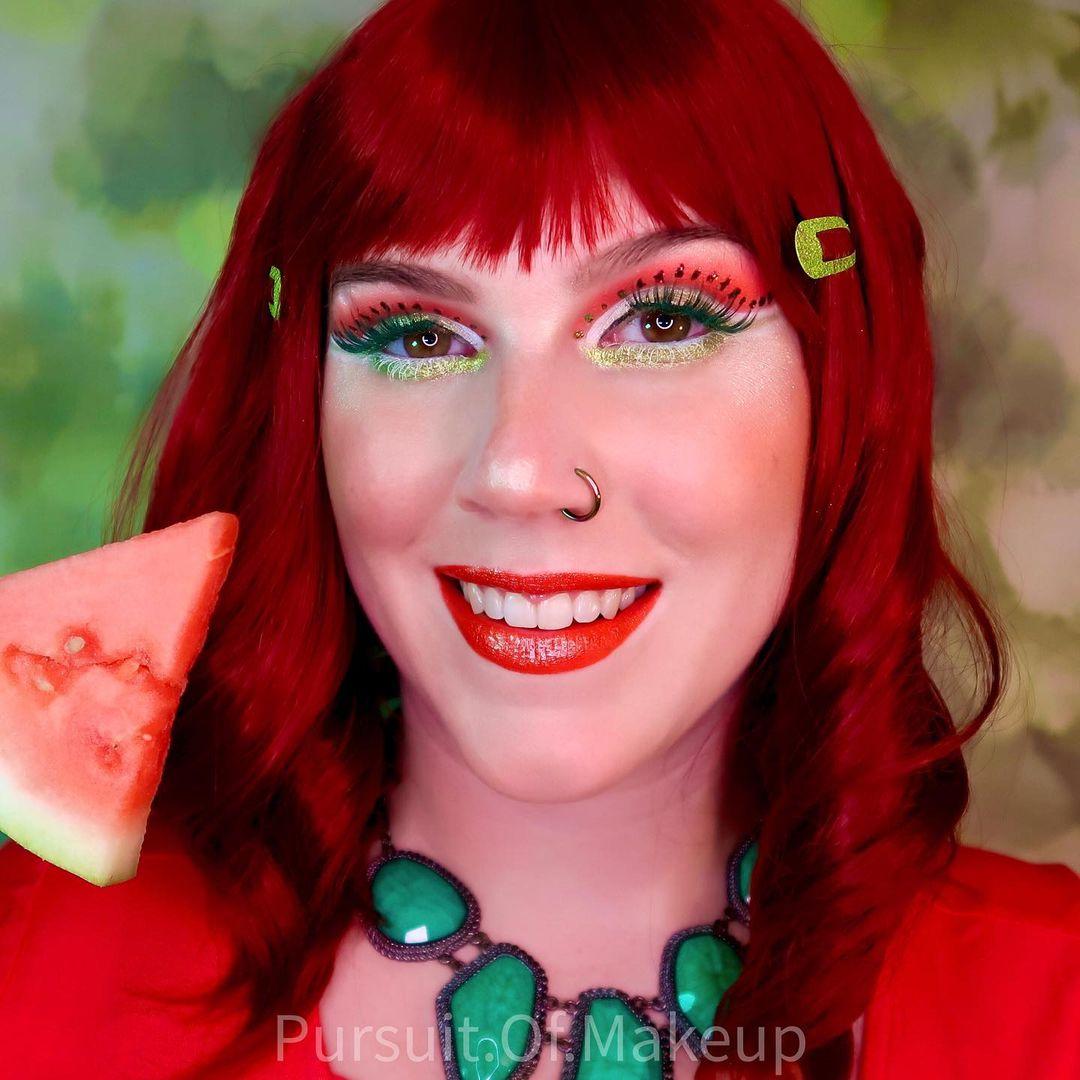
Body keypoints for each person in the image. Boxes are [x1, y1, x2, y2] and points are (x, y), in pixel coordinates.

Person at [1, 1, 1077, 1077]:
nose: (518, 471)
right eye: (417, 335)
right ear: (303, 410)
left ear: (843, 378)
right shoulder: (31, 966)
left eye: (661, 321)